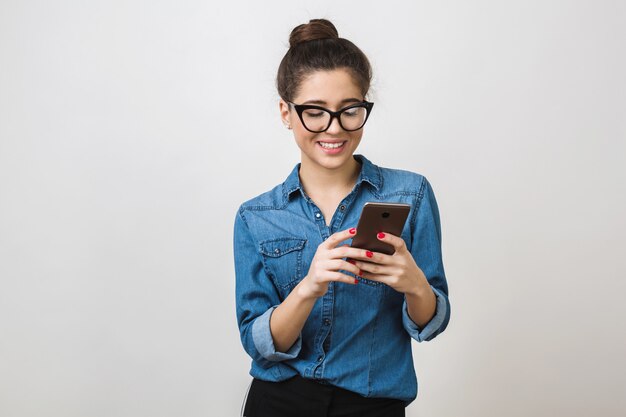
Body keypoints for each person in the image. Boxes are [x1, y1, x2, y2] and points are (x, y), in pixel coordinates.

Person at [233, 18, 450, 417]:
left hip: (372, 404)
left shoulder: (409, 194)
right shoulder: (257, 216)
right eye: (315, 112)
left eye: (350, 110)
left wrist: (415, 284)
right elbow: (258, 341)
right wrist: (308, 287)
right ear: (286, 112)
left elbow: (431, 323)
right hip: (280, 402)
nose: (334, 128)